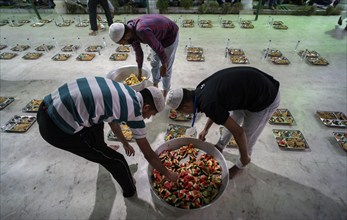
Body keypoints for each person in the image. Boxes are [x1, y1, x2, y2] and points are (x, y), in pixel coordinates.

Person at [37, 76, 178, 197]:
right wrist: (167, 173)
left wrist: (124, 142)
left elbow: (113, 122)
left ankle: (99, 147)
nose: (148, 118)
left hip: (47, 104)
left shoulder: (126, 91)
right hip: (56, 128)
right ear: (146, 107)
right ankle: (130, 190)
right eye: (151, 114)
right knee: (117, 161)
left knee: (98, 123)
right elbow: (148, 154)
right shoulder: (135, 113)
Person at [166, 67, 280, 179]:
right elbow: (215, 108)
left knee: (247, 137)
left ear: (185, 107)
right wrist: (206, 129)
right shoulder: (199, 91)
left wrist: (244, 158)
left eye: (183, 112)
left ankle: (242, 164)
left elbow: (239, 132)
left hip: (265, 97)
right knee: (231, 121)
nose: (187, 114)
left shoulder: (208, 103)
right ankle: (220, 146)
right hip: (249, 90)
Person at [108, 15, 179, 97]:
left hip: (170, 34)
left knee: (166, 70)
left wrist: (164, 65)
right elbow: (139, 53)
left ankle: (165, 93)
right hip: (156, 35)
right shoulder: (131, 32)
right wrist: (139, 73)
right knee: (154, 62)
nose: (123, 44)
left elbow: (158, 48)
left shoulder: (142, 31)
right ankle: (155, 86)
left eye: (122, 42)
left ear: (126, 36)